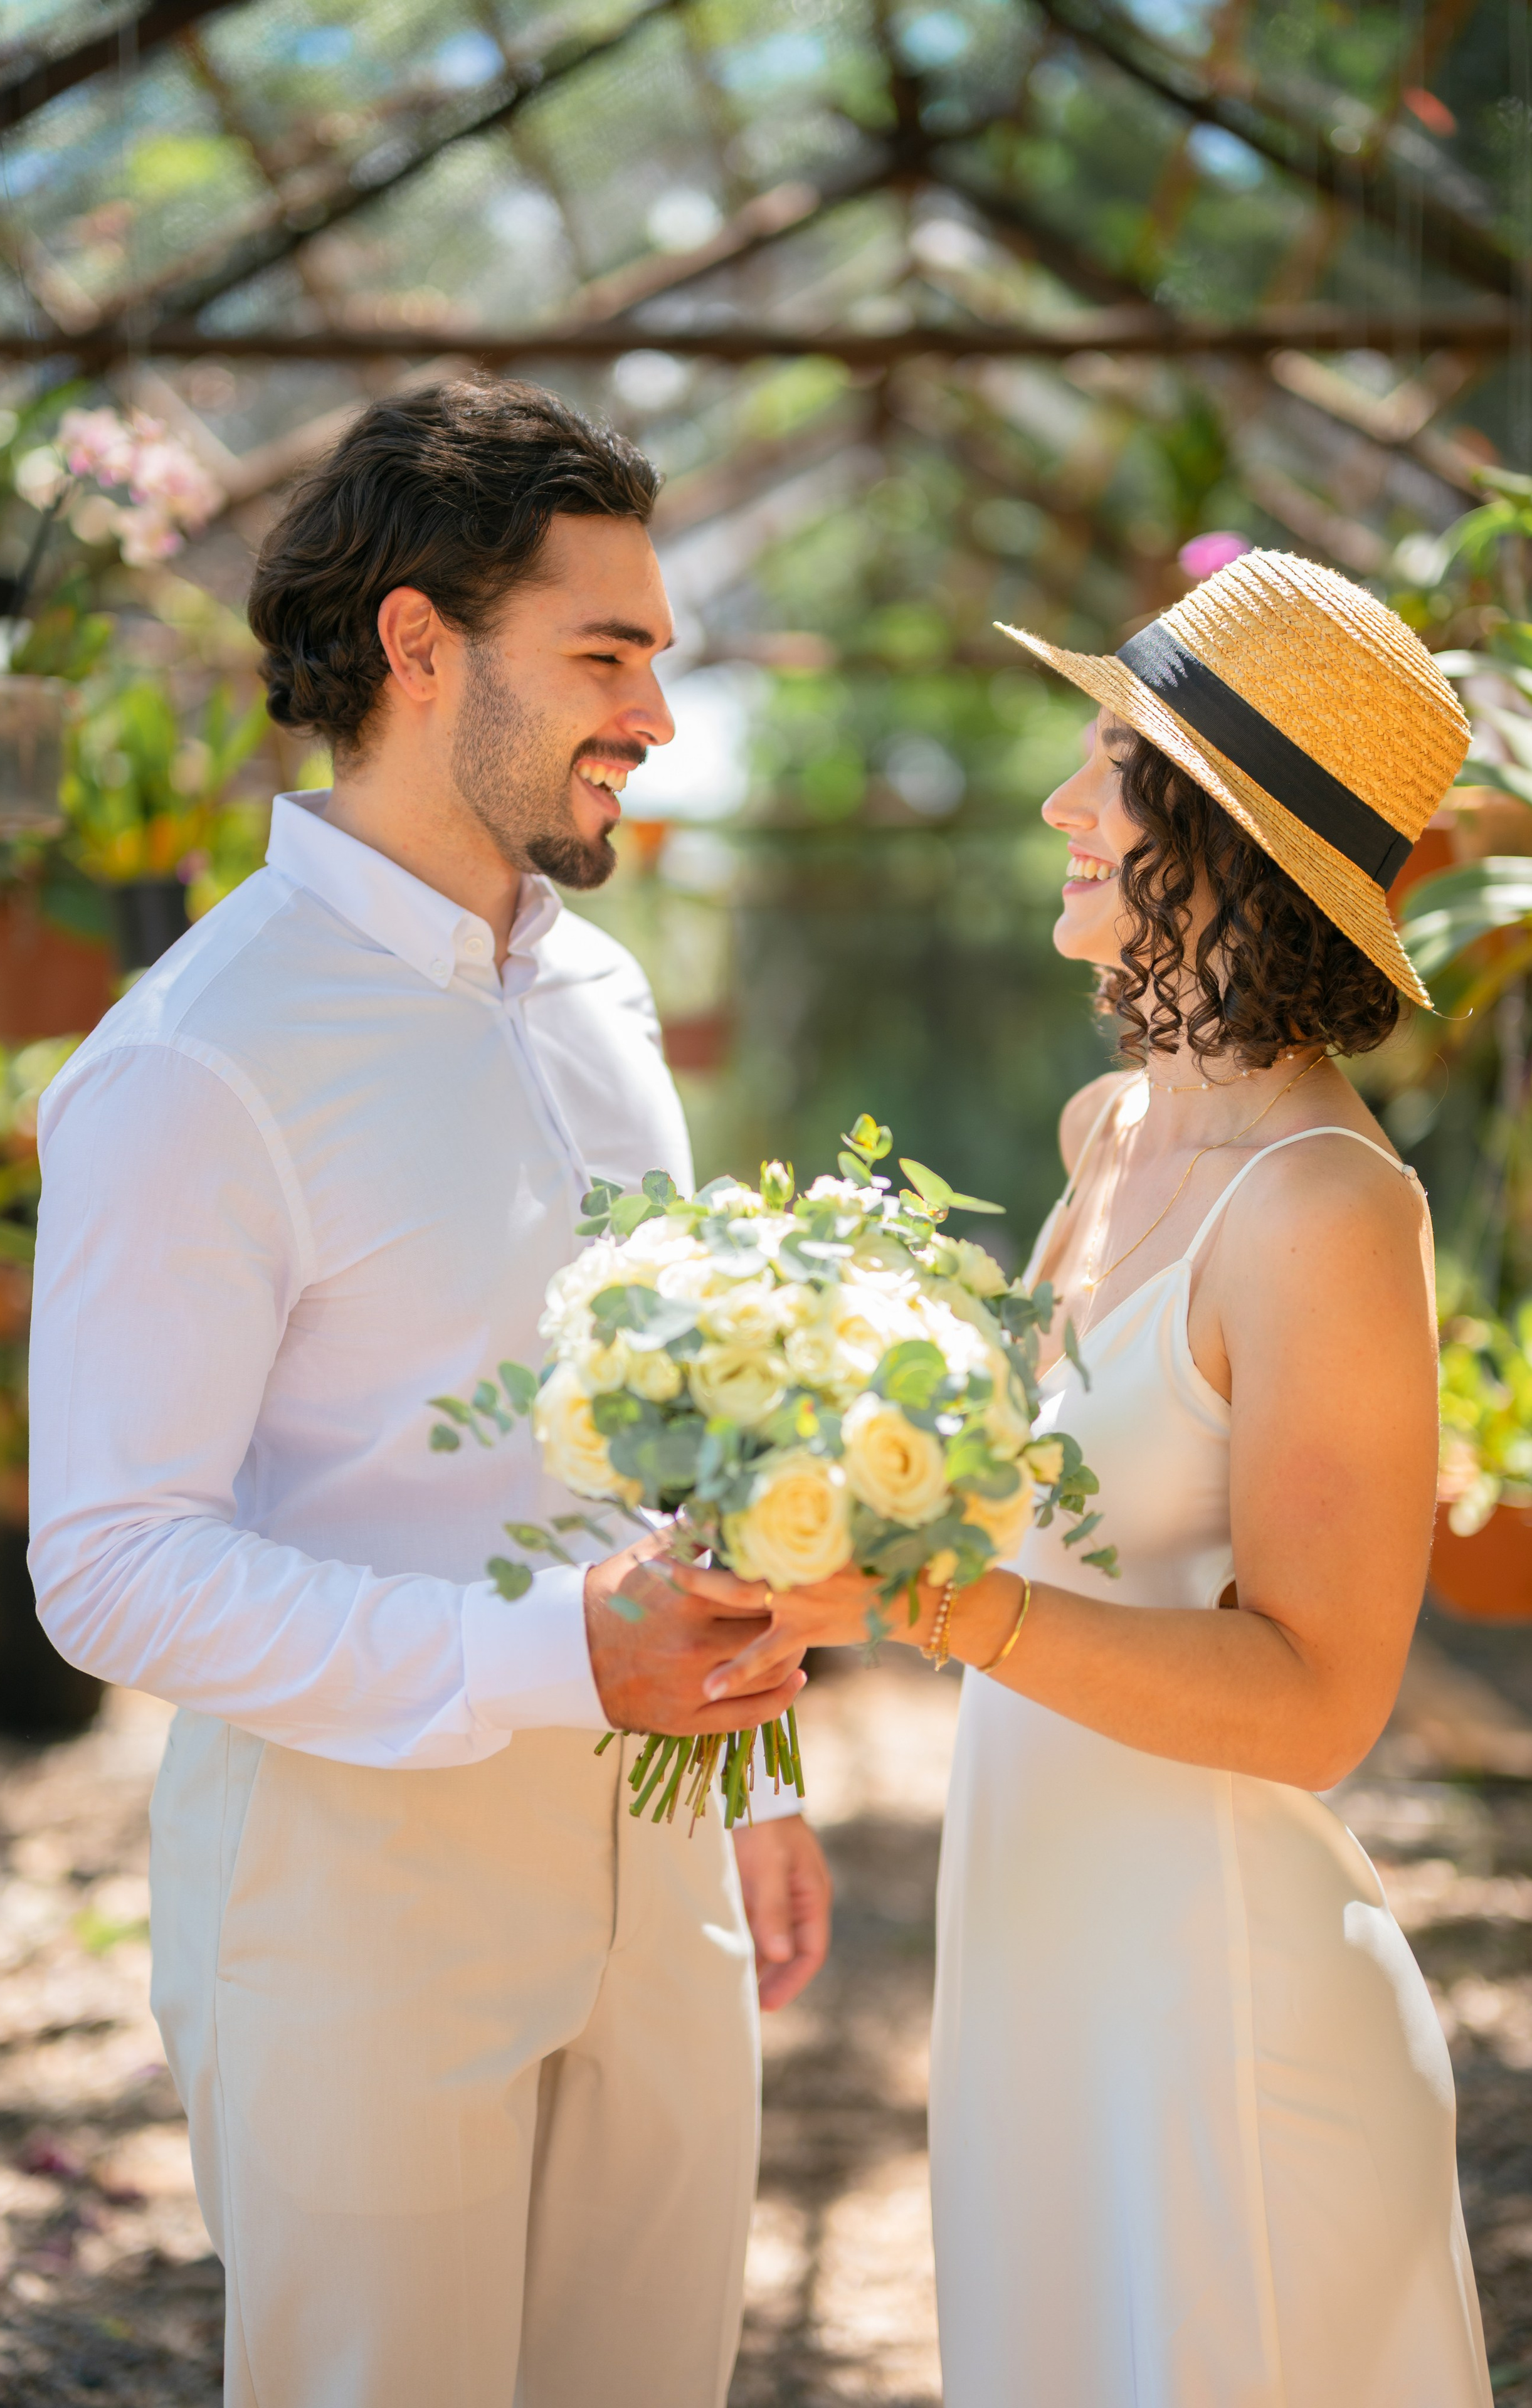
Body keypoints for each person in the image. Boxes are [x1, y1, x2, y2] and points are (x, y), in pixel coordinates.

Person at [26, 378, 830, 2408]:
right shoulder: (191, 1061)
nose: (654, 713)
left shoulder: (602, 998)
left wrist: (752, 1775)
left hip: (668, 1875)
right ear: (416, 644)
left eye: (658, 656)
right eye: (606, 653)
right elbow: (110, 1567)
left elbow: (677, 1432)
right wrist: (557, 1653)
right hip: (356, 1910)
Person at [677, 550, 1494, 2404]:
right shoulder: (1108, 1129)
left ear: (1215, 831)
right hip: (1037, 1958)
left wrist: (933, 1603)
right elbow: (1051, 1521)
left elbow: (1318, 1701)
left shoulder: (1330, 1212)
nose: (1061, 801)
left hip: (1218, 2007)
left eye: (1109, 758)